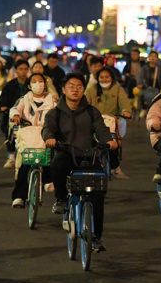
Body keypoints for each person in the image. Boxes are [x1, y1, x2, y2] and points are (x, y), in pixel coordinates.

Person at [42, 72, 117, 252]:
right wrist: (49, 138)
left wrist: (109, 140)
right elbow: (47, 130)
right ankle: (60, 199)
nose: (75, 90)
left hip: (88, 155)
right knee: (58, 164)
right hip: (66, 153)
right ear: (63, 89)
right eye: (71, 86)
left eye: (79, 87)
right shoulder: (55, 113)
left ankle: (96, 237)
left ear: (83, 89)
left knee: (98, 194)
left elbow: (101, 129)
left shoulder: (92, 111)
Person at [9, 72, 56, 207]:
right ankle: (19, 196)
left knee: (47, 156)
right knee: (24, 163)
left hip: (45, 133)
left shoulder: (52, 100)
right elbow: (14, 109)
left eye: (40, 81)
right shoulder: (24, 99)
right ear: (29, 86)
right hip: (28, 133)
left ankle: (48, 179)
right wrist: (16, 115)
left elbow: (59, 115)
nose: (38, 84)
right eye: (34, 82)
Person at [85, 66, 131, 179]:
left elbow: (124, 102)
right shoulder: (91, 89)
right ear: (97, 78)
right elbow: (84, 102)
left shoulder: (118, 89)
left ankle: (115, 167)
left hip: (112, 121)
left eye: (107, 77)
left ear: (112, 78)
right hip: (94, 121)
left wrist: (126, 111)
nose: (104, 79)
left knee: (112, 141)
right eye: (102, 77)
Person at [0, 60, 31, 168]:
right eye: (20, 69)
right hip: (12, 114)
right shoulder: (10, 85)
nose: (23, 71)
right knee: (10, 128)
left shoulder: (31, 84)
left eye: (25, 69)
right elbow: (3, 102)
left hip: (29, 115)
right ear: (16, 70)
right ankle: (11, 155)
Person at [137, 51, 161, 117]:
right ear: (148, 58)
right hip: (146, 87)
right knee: (142, 94)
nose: (153, 58)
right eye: (151, 56)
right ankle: (143, 109)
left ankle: (157, 111)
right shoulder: (144, 68)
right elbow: (140, 78)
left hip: (157, 88)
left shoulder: (160, 69)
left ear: (157, 59)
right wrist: (140, 84)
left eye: (155, 56)